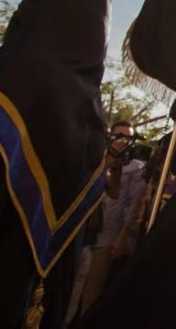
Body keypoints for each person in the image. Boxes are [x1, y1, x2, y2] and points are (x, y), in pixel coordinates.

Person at [73, 120, 145, 318]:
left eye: (127, 137)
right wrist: (108, 159)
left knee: (90, 297)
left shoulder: (135, 168)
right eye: (117, 136)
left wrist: (116, 165)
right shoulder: (90, 156)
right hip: (79, 234)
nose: (122, 141)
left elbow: (115, 193)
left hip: (105, 237)